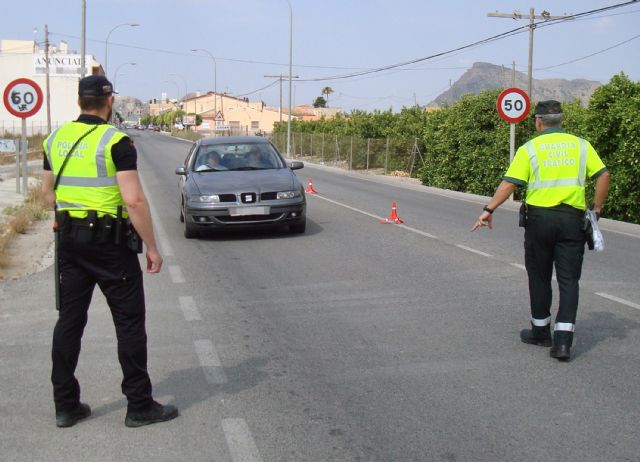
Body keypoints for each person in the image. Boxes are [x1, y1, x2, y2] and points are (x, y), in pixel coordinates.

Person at [42, 75, 178, 427]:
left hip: (70, 241)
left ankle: (65, 405)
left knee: (70, 322)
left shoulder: (54, 139)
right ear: (109, 102)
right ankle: (139, 405)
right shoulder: (116, 141)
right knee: (129, 323)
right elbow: (133, 200)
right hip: (110, 244)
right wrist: (152, 246)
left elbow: (47, 196)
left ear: (79, 101)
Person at [471, 100, 610, 362]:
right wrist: (597, 209)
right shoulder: (581, 145)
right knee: (569, 280)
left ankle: (540, 331)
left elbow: (509, 184)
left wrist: (488, 210)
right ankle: (563, 344)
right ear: (562, 120)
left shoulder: (530, 148)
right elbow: (603, 175)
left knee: (539, 276)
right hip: (572, 220)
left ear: (538, 121)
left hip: (539, 221)